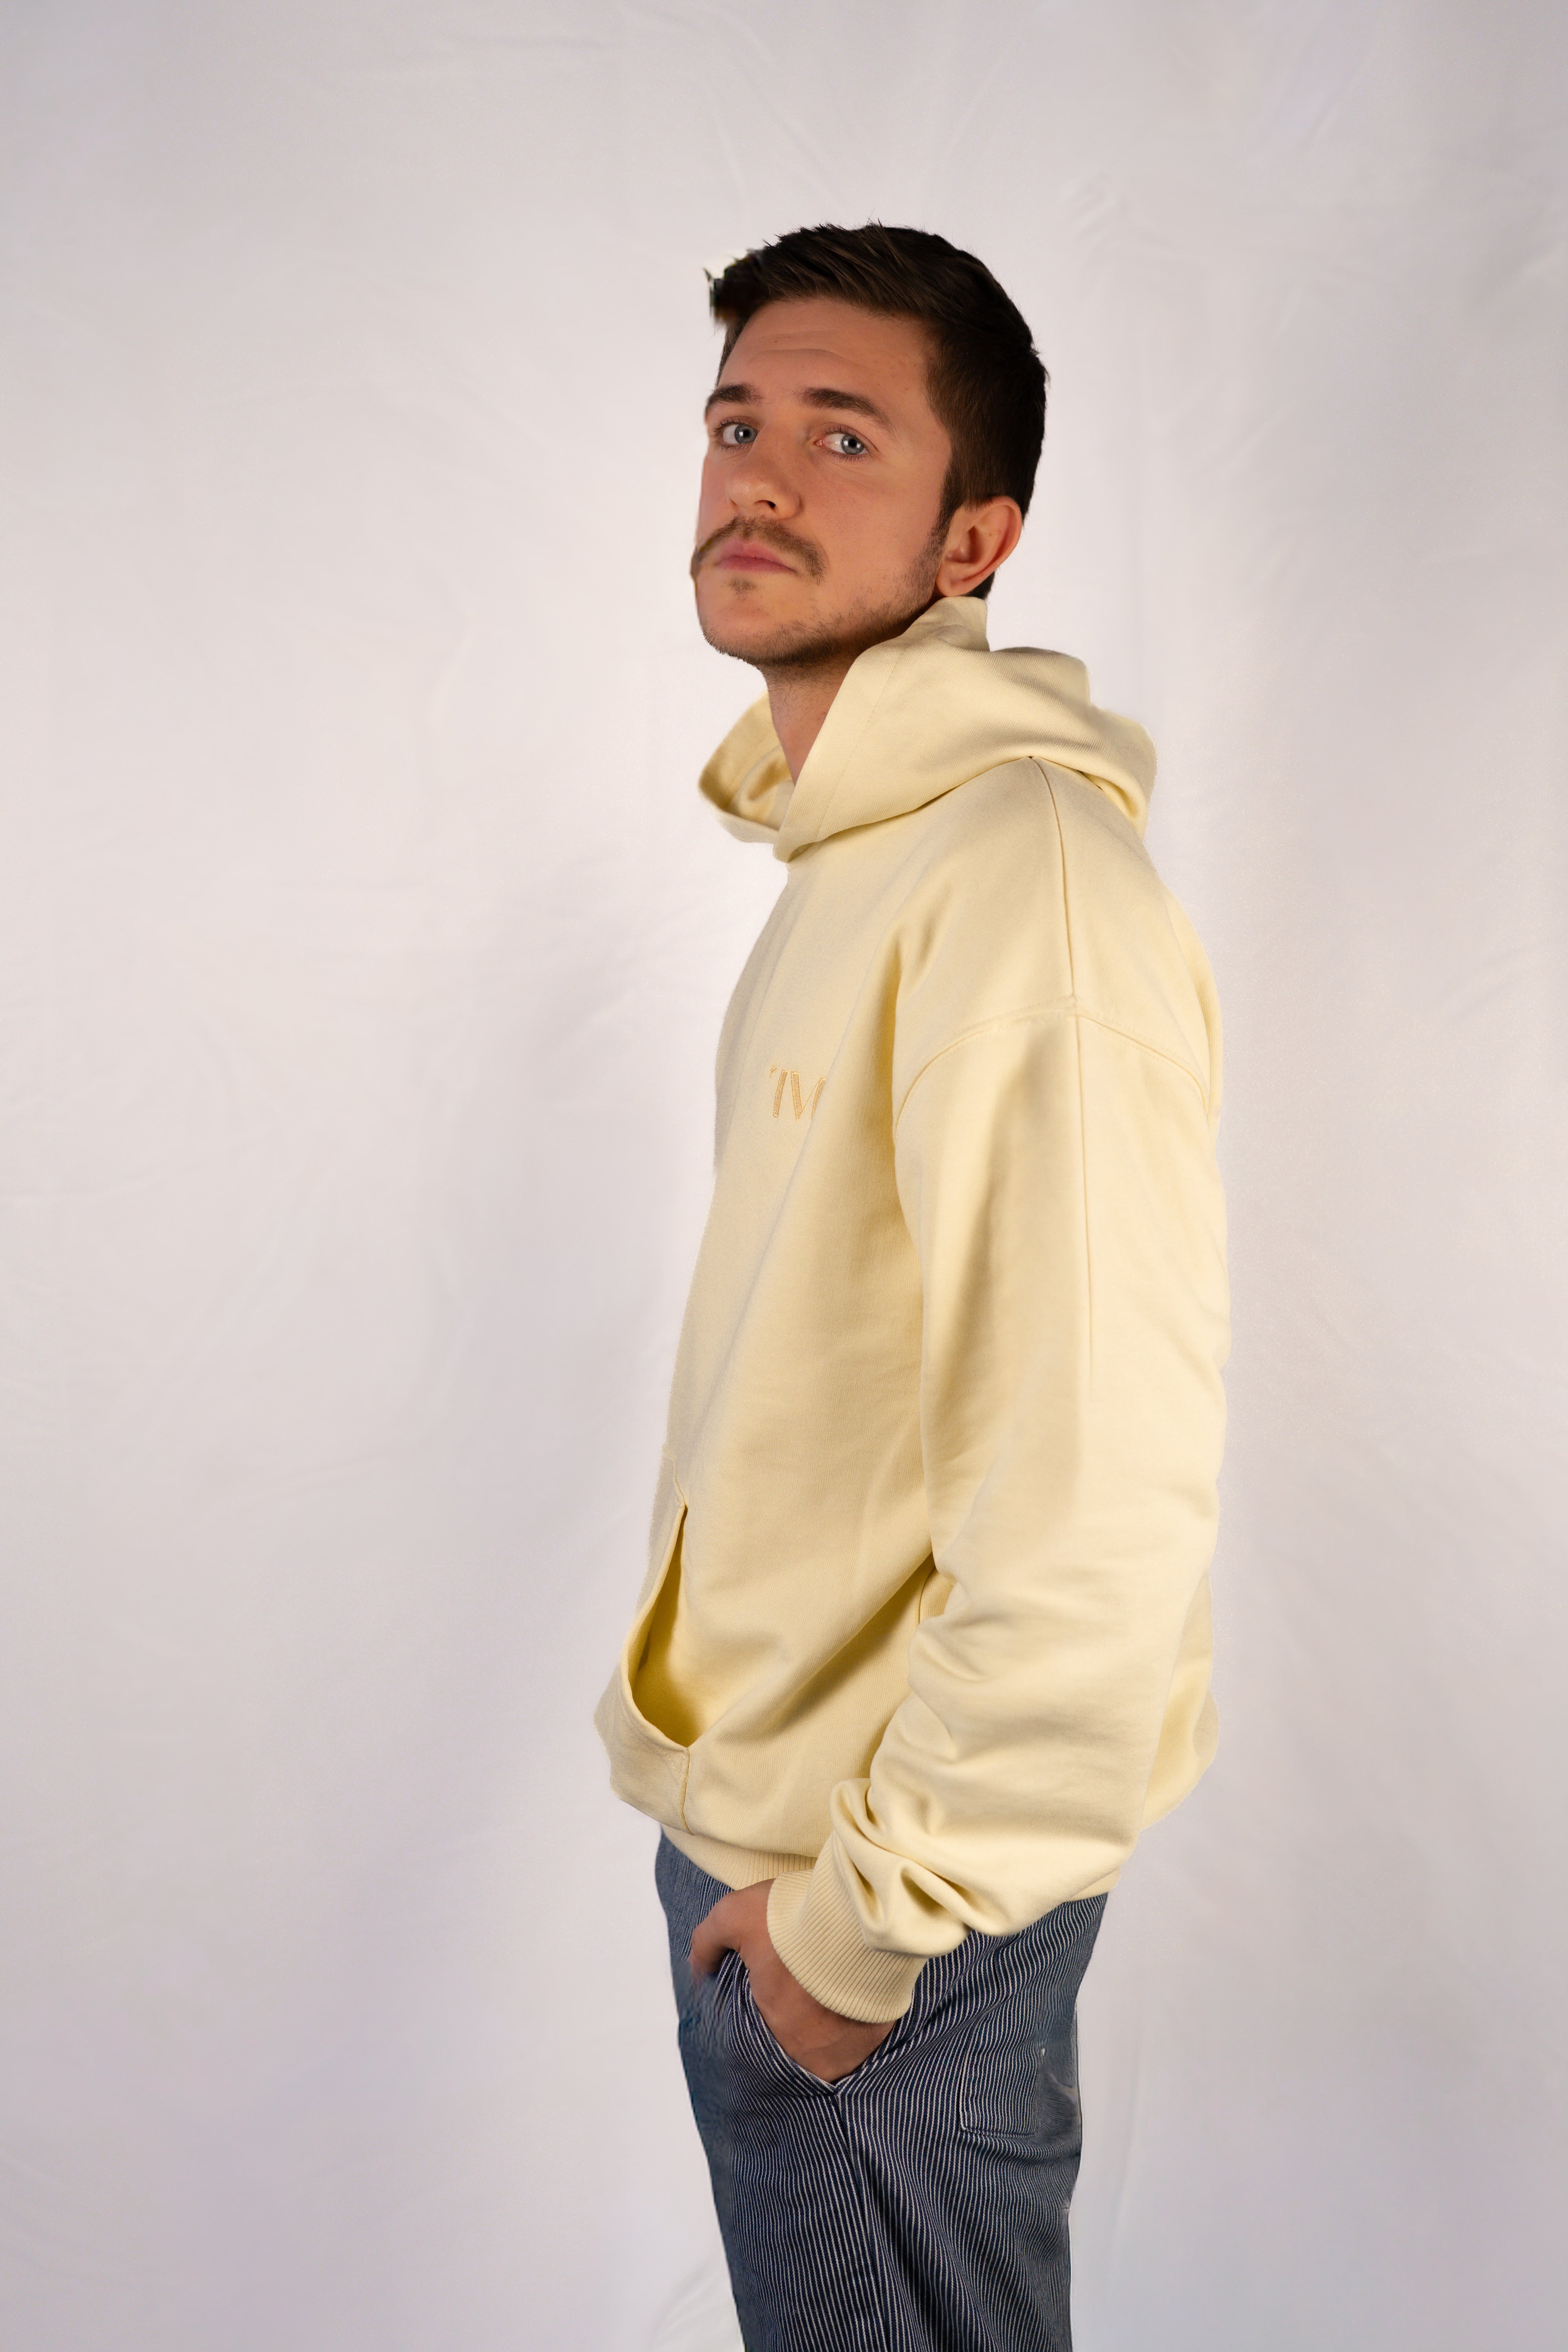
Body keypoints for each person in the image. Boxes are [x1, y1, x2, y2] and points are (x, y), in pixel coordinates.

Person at [594, 223, 1229, 2352]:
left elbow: (1097, 1484)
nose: (760, 476)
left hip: (878, 1912)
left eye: (843, 436)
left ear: (980, 536)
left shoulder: (1021, 879)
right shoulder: (860, 860)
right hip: (789, 1860)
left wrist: (862, 1929)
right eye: (736, 424)